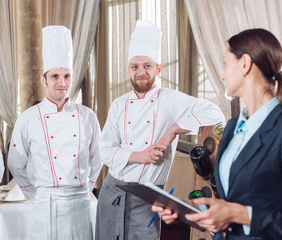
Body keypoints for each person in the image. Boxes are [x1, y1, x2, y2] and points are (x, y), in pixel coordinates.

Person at [153, 28, 282, 240]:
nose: (222, 74)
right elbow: (231, 206)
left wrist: (244, 215)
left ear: (245, 64)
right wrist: (189, 211)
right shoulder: (232, 128)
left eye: (226, 63)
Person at [95, 19, 225, 240]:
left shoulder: (170, 99)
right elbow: (104, 150)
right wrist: (139, 156)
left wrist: (173, 129)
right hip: (113, 191)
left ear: (158, 68)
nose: (141, 72)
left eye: (147, 66)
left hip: (147, 195)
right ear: (128, 69)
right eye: (135, 67)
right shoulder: (119, 104)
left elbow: (216, 114)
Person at [8, 25, 102, 240]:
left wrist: (86, 189)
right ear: (44, 80)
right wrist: (38, 194)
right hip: (46, 204)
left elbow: (98, 157)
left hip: (80, 202)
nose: (62, 82)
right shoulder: (28, 118)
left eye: (67, 76)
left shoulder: (88, 115)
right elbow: (15, 162)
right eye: (55, 76)